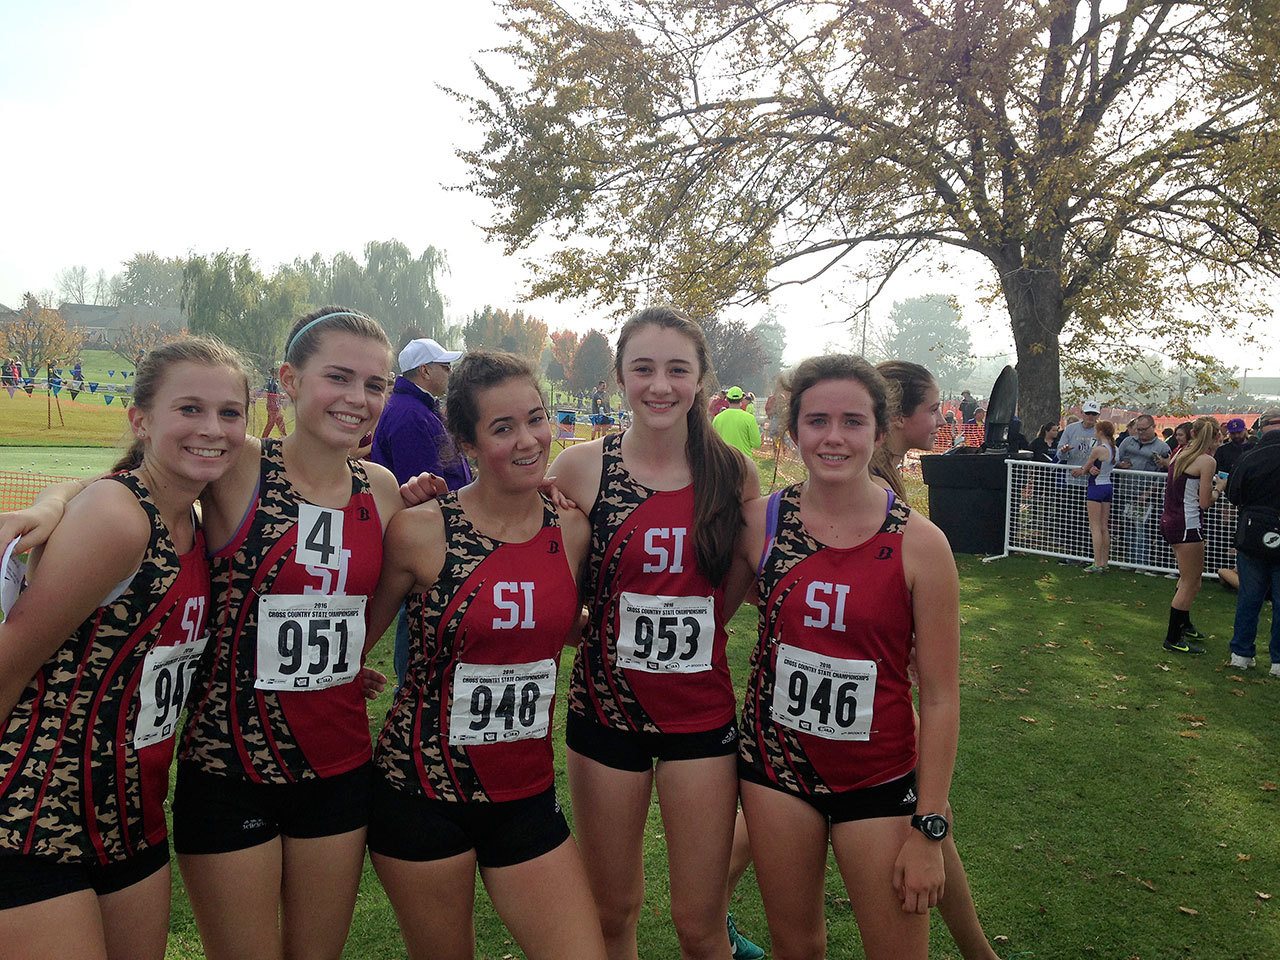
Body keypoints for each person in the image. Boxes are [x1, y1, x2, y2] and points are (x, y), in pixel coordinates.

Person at [0, 337, 250, 960]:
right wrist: (58, 501)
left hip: (133, 821)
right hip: (33, 818)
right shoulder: (120, 515)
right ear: (140, 420)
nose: (212, 429)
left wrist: (56, 496)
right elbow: (9, 661)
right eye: (189, 409)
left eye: (229, 413)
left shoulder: (193, 521)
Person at [170, 308, 402, 959]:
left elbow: (384, 592)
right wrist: (51, 504)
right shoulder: (239, 465)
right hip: (228, 765)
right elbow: (137, 486)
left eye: (375, 385)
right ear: (291, 380)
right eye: (339, 377)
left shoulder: (382, 490)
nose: (357, 398)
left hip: (339, 769)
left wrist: (348, 656)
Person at [364, 352, 605, 960]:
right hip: (421, 791)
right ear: (467, 443)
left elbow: (552, 622)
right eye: (503, 428)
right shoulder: (421, 530)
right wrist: (345, 673)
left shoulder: (571, 529)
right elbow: (355, 635)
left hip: (525, 793)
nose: (528, 440)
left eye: (536, 418)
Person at [549, 305, 760, 960]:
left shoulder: (733, 473)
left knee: (700, 923)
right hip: (605, 715)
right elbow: (527, 559)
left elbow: (734, 585)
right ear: (620, 377)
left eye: (677, 370)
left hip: (700, 717)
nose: (660, 385)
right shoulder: (581, 468)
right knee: (611, 912)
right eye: (643, 369)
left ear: (700, 379)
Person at [735, 355, 959, 960]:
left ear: (880, 432)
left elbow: (941, 697)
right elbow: (697, 609)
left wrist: (930, 828)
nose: (833, 437)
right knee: (797, 946)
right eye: (817, 421)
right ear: (794, 430)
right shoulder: (759, 524)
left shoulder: (921, 544)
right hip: (776, 772)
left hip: (877, 779)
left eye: (853, 422)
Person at [868, 360, 999, 960]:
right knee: (932, 810)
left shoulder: (889, 477)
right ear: (898, 416)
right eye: (930, 408)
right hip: (866, 693)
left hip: (880, 683)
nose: (940, 417)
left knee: (934, 811)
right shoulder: (867, 481)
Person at [371, 336, 470, 689]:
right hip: (428, 533)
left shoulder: (420, 408)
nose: (449, 373)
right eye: (445, 366)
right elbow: (422, 483)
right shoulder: (410, 414)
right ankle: (410, 684)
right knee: (414, 610)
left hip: (438, 529)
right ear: (425, 370)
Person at [1159, 417, 1225, 655]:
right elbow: (1205, 502)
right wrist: (1218, 489)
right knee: (1190, 582)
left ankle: (1184, 625)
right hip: (1187, 524)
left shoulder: (1180, 452)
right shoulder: (1206, 461)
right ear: (1216, 437)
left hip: (1171, 519)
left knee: (1191, 579)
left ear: (1193, 433)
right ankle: (1173, 637)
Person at [1225, 409, 1280, 674]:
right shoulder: (1249, 455)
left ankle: (1241, 653)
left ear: (1262, 427)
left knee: (1249, 596)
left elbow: (1233, 494)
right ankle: (1278, 661)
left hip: (1252, 534)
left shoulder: (1249, 457)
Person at [1116, 414, 1171, 568]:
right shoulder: (1127, 441)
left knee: (1142, 529)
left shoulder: (1162, 447)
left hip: (1146, 495)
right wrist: (1119, 465)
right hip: (1126, 491)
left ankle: (1141, 562)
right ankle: (1129, 560)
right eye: (1138, 429)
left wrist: (1148, 492)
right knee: (1128, 527)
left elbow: (1165, 473)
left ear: (1153, 427)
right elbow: (1115, 459)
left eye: (1144, 429)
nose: (1140, 433)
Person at [1072, 419, 1118, 573]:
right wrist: (1090, 469)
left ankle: (1097, 562)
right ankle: (1104, 562)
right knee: (1104, 526)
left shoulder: (1098, 449)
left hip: (1096, 487)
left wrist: (1081, 471)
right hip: (1107, 485)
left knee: (1095, 527)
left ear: (1100, 432)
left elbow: (1085, 467)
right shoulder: (1115, 449)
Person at [712, 386, 763, 457]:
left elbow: (713, 442)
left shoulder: (717, 418)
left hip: (724, 459)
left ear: (727, 399)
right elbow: (756, 444)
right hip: (743, 459)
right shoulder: (749, 418)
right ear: (741, 399)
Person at [261, 372, 289, 439]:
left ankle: (284, 436)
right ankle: (264, 437)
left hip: (275, 405)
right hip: (272, 405)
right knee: (271, 422)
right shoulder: (271, 382)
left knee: (279, 420)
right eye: (276, 374)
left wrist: (280, 396)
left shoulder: (275, 382)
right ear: (274, 374)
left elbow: (276, 393)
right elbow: (271, 391)